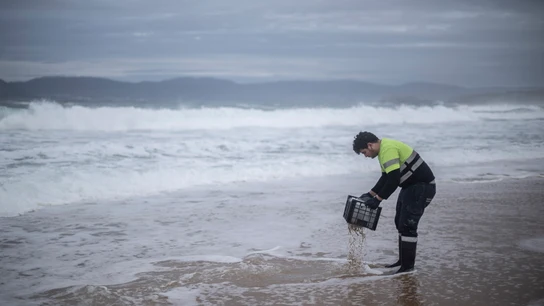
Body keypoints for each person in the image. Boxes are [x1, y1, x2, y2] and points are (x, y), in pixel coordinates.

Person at [352, 131, 436, 273]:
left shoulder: (388, 149)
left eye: (364, 152)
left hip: (422, 187)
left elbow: (394, 179)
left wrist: (377, 200)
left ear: (370, 145)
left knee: (408, 225)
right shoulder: (384, 150)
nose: (365, 156)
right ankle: (402, 262)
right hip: (411, 187)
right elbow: (385, 177)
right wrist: (370, 194)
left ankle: (407, 267)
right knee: (400, 222)